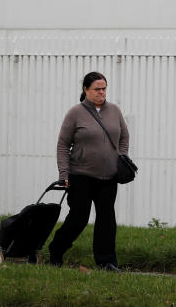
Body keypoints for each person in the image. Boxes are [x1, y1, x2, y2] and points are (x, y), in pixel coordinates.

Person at [47, 72, 129, 271]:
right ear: (85, 90)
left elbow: (124, 137)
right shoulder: (75, 113)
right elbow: (62, 145)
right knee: (79, 218)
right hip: (80, 176)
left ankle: (106, 262)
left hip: (109, 177)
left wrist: (121, 158)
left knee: (106, 220)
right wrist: (63, 174)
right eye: (97, 89)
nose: (102, 92)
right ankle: (56, 249)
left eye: (104, 88)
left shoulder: (114, 111)